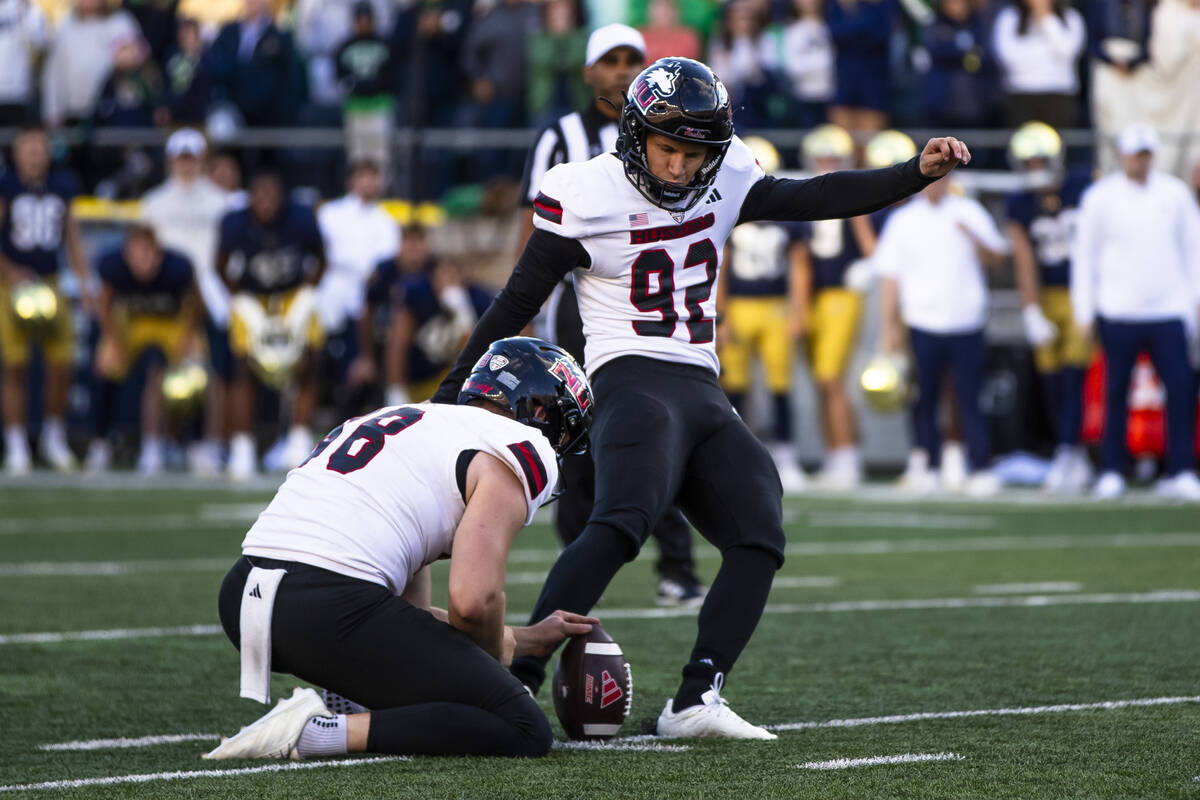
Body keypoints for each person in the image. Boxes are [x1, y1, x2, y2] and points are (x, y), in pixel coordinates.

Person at [432, 57, 970, 738]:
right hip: (628, 378)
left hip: (700, 384)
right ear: (633, 135)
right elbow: (515, 303)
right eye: (668, 149)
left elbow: (816, 197)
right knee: (621, 522)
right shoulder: (584, 192)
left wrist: (912, 174)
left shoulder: (731, 175)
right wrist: (450, 396)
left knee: (759, 532)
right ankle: (509, 686)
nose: (681, 168)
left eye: (694, 154)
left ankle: (695, 697)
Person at [205, 336, 599, 760]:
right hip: (323, 605)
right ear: (540, 411)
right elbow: (472, 603)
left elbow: (408, 619)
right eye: (565, 430)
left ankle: (345, 691)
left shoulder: (410, 419)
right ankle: (314, 733)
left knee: (434, 695)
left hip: (245, 594)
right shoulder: (520, 444)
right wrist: (496, 653)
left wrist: (521, 639)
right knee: (522, 727)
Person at [518, 25, 706, 608]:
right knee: (575, 439)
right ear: (589, 72)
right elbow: (536, 229)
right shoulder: (563, 135)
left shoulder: (676, 132)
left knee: (656, 433)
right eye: (611, 61)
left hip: (655, 304)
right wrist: (528, 303)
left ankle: (677, 566)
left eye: (632, 60)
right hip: (583, 299)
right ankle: (580, 571)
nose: (622, 70)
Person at [1070, 123, 1200, 501]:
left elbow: (1193, 251)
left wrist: (1194, 305)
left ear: (1152, 156)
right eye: (1133, 154)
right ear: (1122, 155)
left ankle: (1181, 470)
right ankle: (1111, 469)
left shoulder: (1175, 195)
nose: (1138, 161)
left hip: (1168, 309)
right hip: (1117, 309)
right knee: (1114, 391)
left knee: (1179, 390)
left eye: (1144, 154)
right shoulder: (1100, 197)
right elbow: (1085, 257)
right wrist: (1085, 310)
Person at [876, 174, 1009, 496]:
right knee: (924, 399)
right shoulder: (903, 220)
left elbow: (998, 258)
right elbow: (890, 277)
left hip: (966, 321)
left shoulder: (969, 212)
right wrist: (889, 326)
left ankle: (979, 466)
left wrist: (974, 239)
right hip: (923, 321)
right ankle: (926, 464)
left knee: (969, 397)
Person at [216, 169, 326, 479]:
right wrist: (240, 298)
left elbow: (321, 258)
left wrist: (306, 294)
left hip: (292, 295)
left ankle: (299, 437)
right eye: (259, 196)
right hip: (253, 296)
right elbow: (220, 264)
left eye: (271, 197)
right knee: (242, 363)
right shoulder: (235, 222)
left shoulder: (301, 218)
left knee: (312, 355)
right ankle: (242, 445)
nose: (265, 203)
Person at [716, 135, 809, 492]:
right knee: (735, 384)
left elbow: (799, 265)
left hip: (774, 306)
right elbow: (719, 266)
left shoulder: (783, 213)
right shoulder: (727, 209)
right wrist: (720, 313)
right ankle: (733, 455)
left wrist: (798, 310)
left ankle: (786, 453)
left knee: (780, 384)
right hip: (739, 306)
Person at [140, 129, 237, 475]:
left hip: (211, 290)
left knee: (216, 369)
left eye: (191, 157)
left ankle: (210, 444)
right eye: (181, 157)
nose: (186, 164)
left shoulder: (221, 201)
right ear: (171, 160)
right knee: (161, 367)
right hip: (168, 293)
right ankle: (158, 442)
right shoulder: (153, 203)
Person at [1004, 121, 1093, 492]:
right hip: (1049, 295)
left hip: (1082, 291)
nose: (1034, 169)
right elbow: (1023, 258)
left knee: (1077, 376)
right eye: (1028, 162)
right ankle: (1066, 451)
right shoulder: (1020, 202)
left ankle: (1075, 452)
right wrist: (1029, 309)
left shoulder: (1085, 185)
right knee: (1052, 378)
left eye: (1040, 160)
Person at [795, 124, 881, 489]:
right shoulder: (805, 195)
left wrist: (864, 269)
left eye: (833, 157)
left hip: (841, 296)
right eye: (822, 157)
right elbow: (799, 256)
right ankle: (835, 453)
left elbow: (872, 250)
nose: (827, 164)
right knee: (821, 381)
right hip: (814, 297)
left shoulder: (849, 196)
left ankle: (847, 453)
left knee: (831, 377)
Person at [0, 126, 88, 475]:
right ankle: (17, 442)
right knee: (15, 364)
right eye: (28, 147)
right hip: (12, 282)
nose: (35, 153)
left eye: (40, 146)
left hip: (50, 280)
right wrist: (9, 271)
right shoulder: (7, 185)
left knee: (62, 362)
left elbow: (72, 237)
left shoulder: (62, 185)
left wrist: (84, 282)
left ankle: (54, 436)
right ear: (17, 152)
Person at [87, 225, 200, 474]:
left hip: (171, 323)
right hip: (132, 322)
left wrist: (189, 339)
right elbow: (105, 304)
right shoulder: (112, 267)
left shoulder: (178, 268)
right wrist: (111, 342)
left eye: (147, 254)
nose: (142, 262)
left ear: (158, 253)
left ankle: (193, 445)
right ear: (126, 255)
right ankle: (100, 443)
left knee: (195, 374)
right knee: (107, 367)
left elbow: (196, 304)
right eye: (135, 255)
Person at [316, 160, 400, 415]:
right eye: (363, 176)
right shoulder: (330, 213)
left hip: (368, 300)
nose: (368, 183)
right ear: (351, 180)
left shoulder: (386, 221)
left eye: (373, 177)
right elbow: (324, 255)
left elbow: (385, 265)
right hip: (331, 292)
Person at [991, 0, 1086, 128]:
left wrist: (1046, 19)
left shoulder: (1071, 17)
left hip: (1059, 94)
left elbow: (1067, 52)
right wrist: (1047, 57)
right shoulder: (1009, 17)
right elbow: (1008, 57)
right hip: (1020, 94)